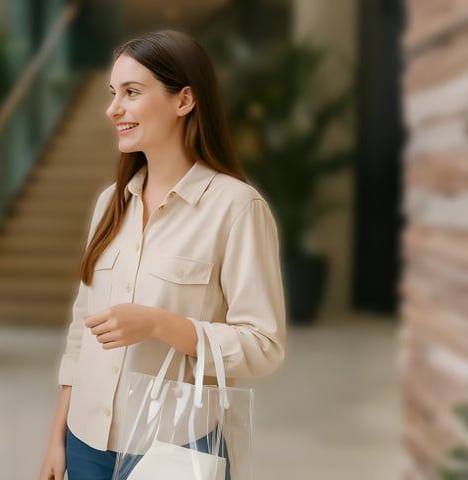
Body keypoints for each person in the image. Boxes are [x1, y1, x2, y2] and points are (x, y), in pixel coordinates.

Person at [37, 30, 287, 480]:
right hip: (85, 443)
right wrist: (58, 439)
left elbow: (264, 346)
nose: (114, 109)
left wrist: (158, 324)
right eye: (113, 93)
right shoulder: (109, 204)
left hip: (174, 449)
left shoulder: (236, 207)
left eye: (131, 93)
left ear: (184, 100)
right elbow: (80, 335)